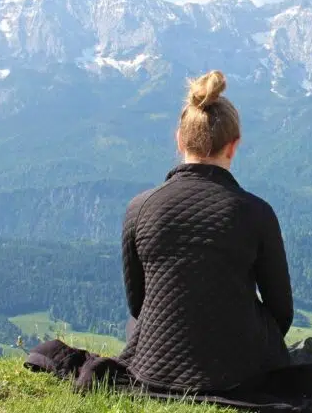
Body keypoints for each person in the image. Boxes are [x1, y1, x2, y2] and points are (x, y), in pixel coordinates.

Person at [117, 70, 295, 393]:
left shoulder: (138, 209)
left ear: (180, 140)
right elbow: (281, 313)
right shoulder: (257, 214)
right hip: (239, 373)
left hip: (153, 370)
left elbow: (138, 304)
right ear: (233, 146)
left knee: (135, 325)